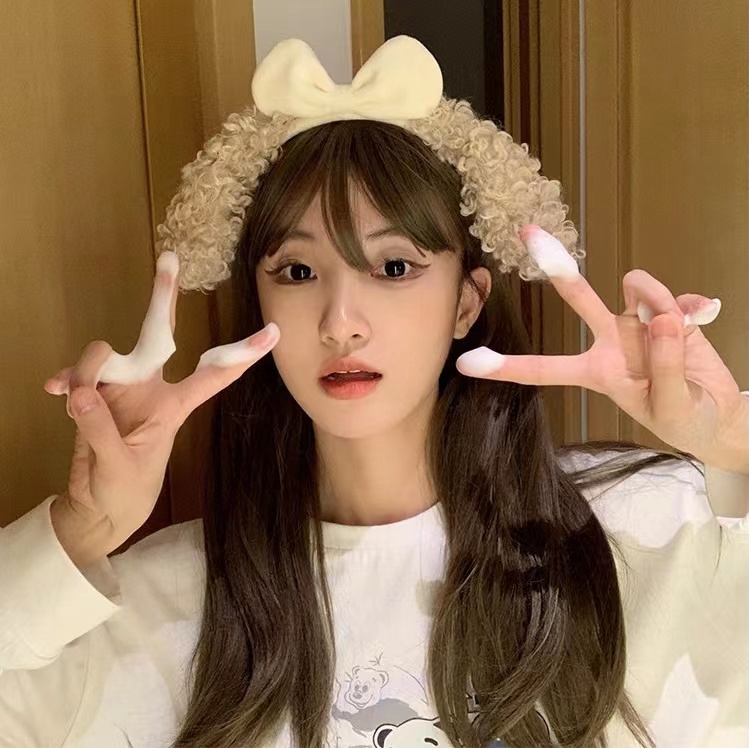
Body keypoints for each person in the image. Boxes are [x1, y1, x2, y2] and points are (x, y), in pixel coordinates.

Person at [1, 35, 747, 748]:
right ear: (259, 303)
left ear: (466, 303)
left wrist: (735, 439)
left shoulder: (641, 528)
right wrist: (81, 530)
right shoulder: (164, 601)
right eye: (298, 271)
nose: (340, 322)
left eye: (394, 267)